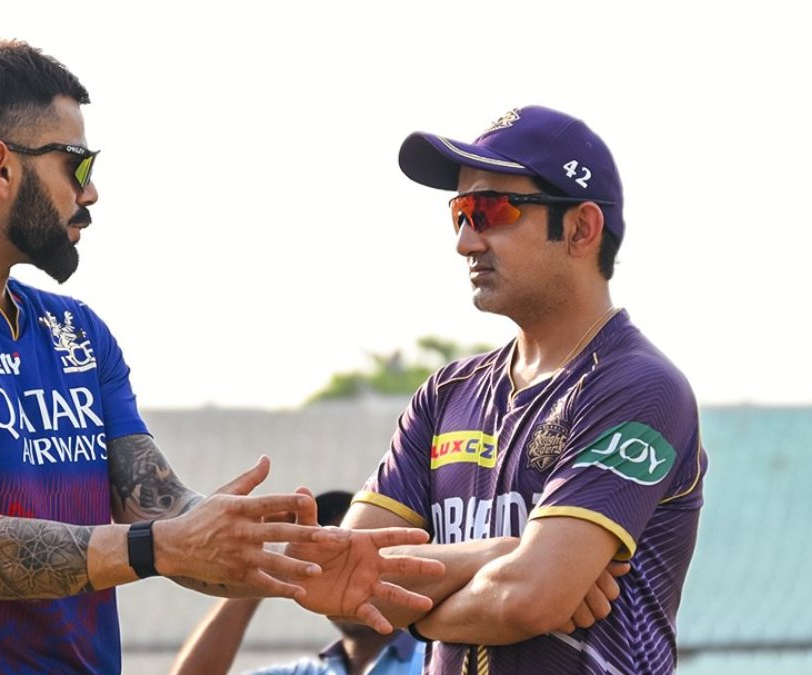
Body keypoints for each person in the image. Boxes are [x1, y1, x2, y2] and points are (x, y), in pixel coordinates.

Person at [0, 37, 442, 674]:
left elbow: (161, 515)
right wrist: (160, 545)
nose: (93, 192)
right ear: (1, 167)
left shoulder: (76, 332)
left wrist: (291, 559)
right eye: (77, 164)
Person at [294, 106, 708, 674]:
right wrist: (506, 554)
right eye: (459, 212)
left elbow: (527, 598)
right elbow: (343, 576)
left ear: (582, 229)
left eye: (490, 210)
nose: (466, 241)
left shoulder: (638, 387)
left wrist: (416, 605)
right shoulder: (446, 393)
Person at [171, 491, 425, 675]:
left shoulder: (436, 657)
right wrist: (261, 565)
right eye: (326, 562)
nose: (342, 572)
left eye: (356, 559)